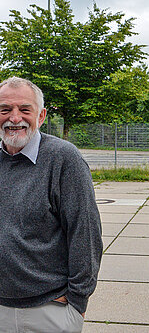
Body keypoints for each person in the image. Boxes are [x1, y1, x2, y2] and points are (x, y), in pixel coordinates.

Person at [0, 76, 103, 332]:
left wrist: (76, 303)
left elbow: (86, 233)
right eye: (5, 110)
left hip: (49, 311)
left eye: (25, 109)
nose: (14, 118)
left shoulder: (64, 159)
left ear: (42, 115)